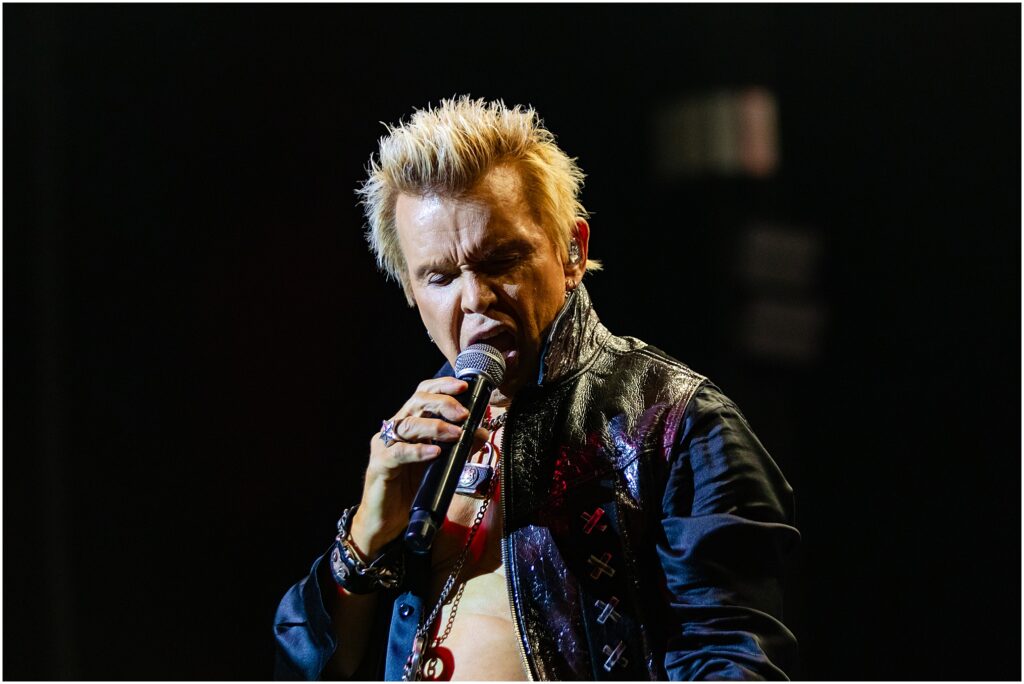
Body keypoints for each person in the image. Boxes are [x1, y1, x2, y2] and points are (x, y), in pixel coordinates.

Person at [273, 96, 799, 681]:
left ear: (572, 250)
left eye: (501, 260)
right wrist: (368, 534)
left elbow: (730, 659)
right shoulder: (415, 442)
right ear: (409, 290)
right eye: (440, 277)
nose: (475, 299)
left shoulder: (676, 423)